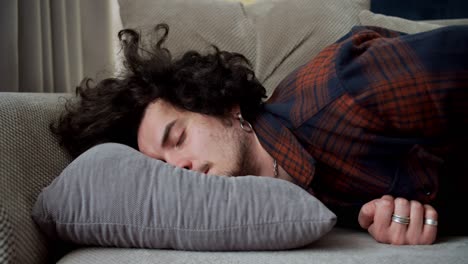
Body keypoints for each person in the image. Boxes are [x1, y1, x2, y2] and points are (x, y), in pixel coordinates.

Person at [51, 23, 468, 245]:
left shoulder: (346, 90)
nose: (180, 167)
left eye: (177, 138)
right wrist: (406, 219)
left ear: (227, 106)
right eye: (162, 166)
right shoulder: (285, 200)